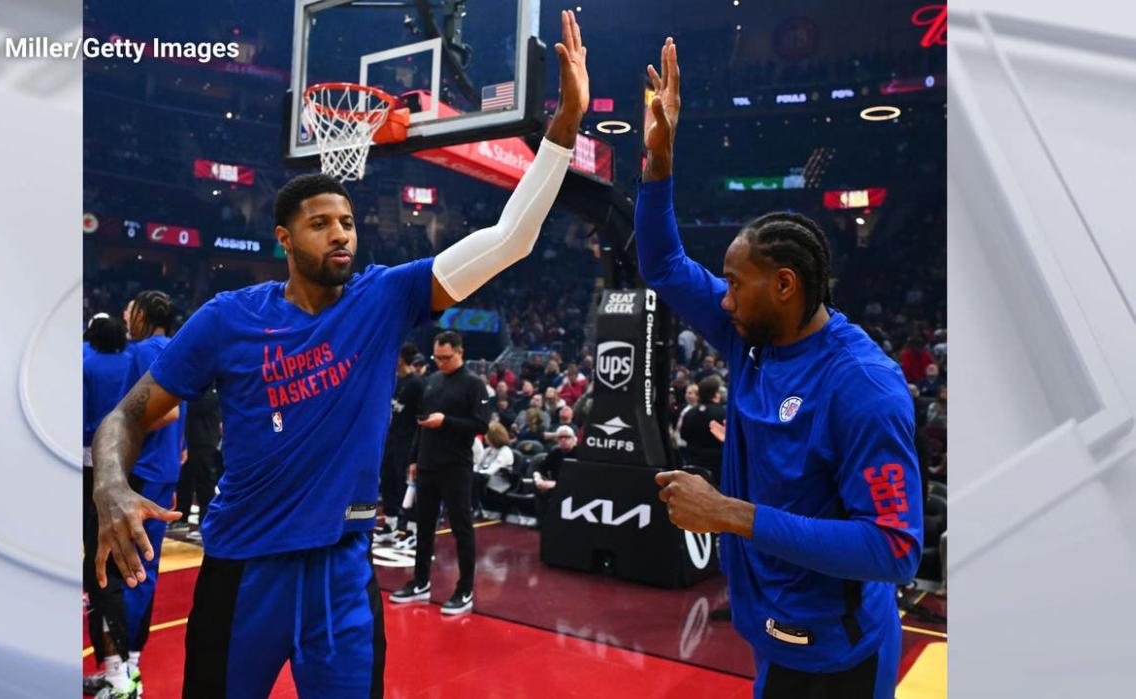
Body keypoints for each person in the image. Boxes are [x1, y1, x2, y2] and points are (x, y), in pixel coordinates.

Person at [91, 12, 590, 695]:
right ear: (284, 238)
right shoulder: (227, 319)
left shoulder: (385, 298)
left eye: (348, 222)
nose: (340, 234)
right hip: (244, 568)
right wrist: (110, 484)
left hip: (343, 573)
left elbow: (510, 238)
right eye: (320, 223)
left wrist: (562, 130)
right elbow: (127, 414)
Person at [640, 38, 922, 698]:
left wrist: (730, 514)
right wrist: (660, 161)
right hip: (773, 632)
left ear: (786, 284)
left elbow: (895, 549)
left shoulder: (864, 387)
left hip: (838, 653)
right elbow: (662, 266)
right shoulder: (751, 333)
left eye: (736, 284)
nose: (723, 298)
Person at [391, 331, 491, 614]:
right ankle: (421, 581)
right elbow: (421, 422)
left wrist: (446, 421)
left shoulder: (474, 384)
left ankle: (465, 589)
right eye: (438, 357)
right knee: (422, 526)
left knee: (461, 528)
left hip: (455, 465)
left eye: (446, 358)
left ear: (460, 352)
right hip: (427, 463)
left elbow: (481, 425)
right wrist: (413, 458)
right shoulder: (432, 381)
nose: (441, 362)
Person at [119, 290, 187, 685]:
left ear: (142, 314)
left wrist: (123, 428)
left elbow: (165, 411)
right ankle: (131, 658)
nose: (127, 316)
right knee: (145, 565)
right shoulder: (178, 348)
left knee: (129, 568)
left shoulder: (142, 352)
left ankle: (124, 664)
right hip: (163, 472)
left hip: (142, 471)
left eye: (130, 310)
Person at [82, 313, 139, 698]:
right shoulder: (134, 359)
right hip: (130, 464)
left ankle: (118, 676)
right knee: (116, 564)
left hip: (92, 462)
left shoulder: (86, 363)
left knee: (101, 569)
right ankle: (122, 669)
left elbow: (83, 418)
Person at [375, 342, 424, 543]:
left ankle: (412, 529)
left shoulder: (417, 384)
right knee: (388, 481)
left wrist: (418, 449)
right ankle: (391, 524)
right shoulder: (392, 381)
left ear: (401, 358)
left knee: (408, 486)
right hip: (391, 439)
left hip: (409, 442)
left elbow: (421, 418)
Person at [174, 382, 222, 540]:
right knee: (184, 481)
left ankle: (205, 522)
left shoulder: (213, 389)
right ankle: (181, 517)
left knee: (205, 485)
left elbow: (201, 406)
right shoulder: (192, 388)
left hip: (205, 442)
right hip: (188, 440)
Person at [533, 425, 576, 524]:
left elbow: (579, 479)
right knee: (537, 486)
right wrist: (538, 480)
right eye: (560, 437)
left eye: (567, 437)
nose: (564, 440)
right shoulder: (555, 452)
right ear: (557, 440)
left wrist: (555, 484)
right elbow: (539, 469)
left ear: (574, 439)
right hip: (554, 485)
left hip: (573, 487)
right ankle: (543, 522)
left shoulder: (580, 453)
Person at [472, 421, 514, 517]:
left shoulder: (505, 451)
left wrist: (476, 472)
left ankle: (475, 507)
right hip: (484, 478)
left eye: (487, 434)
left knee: (475, 477)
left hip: (499, 481)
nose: (485, 437)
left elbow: (491, 470)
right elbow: (477, 465)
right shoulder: (488, 450)